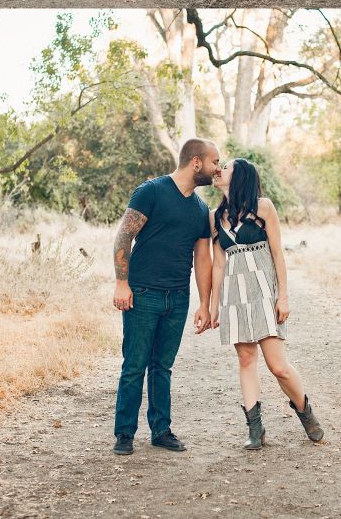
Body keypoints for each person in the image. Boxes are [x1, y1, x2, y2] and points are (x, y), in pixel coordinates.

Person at [111, 138, 220, 456]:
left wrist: (203, 302)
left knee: (163, 366)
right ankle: (124, 434)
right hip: (142, 294)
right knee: (135, 365)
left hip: (177, 298)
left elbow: (203, 258)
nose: (217, 169)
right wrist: (122, 283)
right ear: (196, 162)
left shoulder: (201, 209)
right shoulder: (152, 191)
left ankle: (161, 430)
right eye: (215, 162)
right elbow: (124, 235)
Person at [209, 158, 324, 450]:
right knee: (246, 360)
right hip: (234, 295)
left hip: (263, 291)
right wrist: (213, 304)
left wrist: (282, 295)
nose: (218, 169)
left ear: (240, 177)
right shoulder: (214, 216)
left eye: (225, 166)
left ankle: (304, 411)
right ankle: (255, 430)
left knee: (278, 366)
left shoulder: (264, 208)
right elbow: (219, 264)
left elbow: (277, 254)